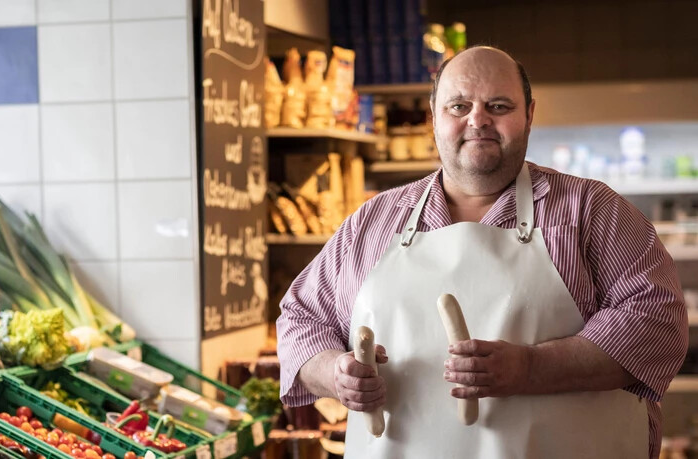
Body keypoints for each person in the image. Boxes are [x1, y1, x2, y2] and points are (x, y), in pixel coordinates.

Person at [276, 46, 688, 459]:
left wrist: (530, 369)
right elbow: (301, 320)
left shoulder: (593, 211)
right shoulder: (372, 222)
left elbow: (658, 321)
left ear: (529, 114)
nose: (478, 120)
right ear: (432, 117)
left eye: (498, 105)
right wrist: (334, 373)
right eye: (458, 105)